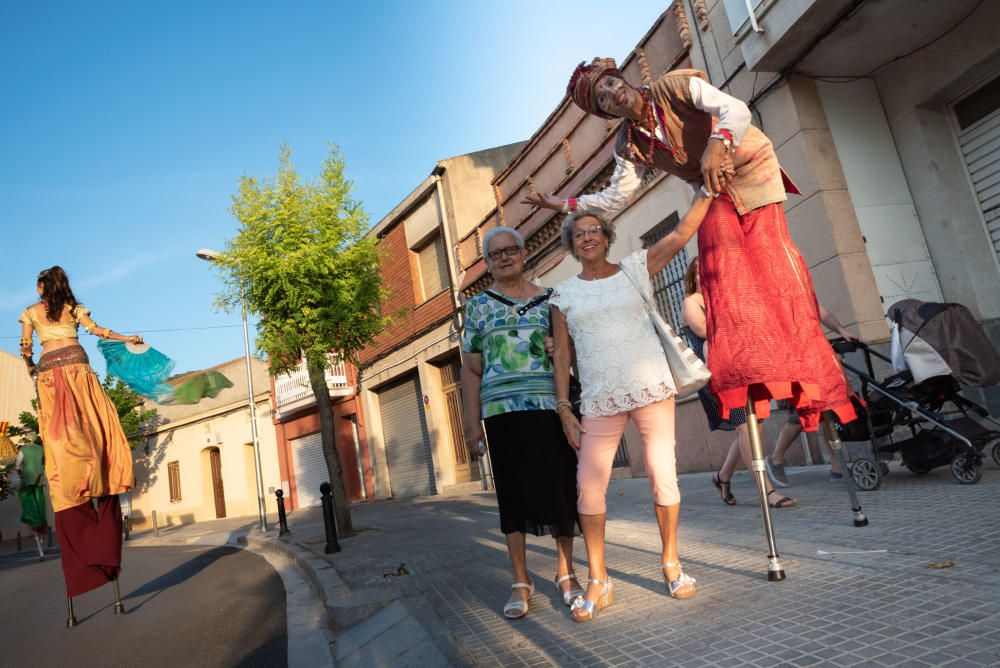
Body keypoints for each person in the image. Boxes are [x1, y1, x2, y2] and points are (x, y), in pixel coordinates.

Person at [524, 58, 855, 436]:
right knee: (718, 270)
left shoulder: (674, 87)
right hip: (710, 188)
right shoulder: (629, 143)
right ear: (605, 112)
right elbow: (617, 197)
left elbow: (735, 108)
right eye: (603, 99)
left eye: (612, 84)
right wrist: (563, 204)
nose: (613, 95)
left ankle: (809, 367)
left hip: (749, 166)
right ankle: (753, 366)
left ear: (622, 79)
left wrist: (718, 143)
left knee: (771, 263)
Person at [550, 192, 712, 623]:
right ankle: (599, 580)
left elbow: (680, 234)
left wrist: (706, 190)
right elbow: (562, 355)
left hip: (651, 387)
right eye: (579, 234)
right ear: (571, 244)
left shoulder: (634, 269)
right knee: (588, 485)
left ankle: (671, 562)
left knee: (664, 477)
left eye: (594, 231)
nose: (587, 238)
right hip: (600, 398)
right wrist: (564, 407)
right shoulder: (561, 295)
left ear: (607, 237)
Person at [461, 227, 581, 620]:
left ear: (523, 252)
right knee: (512, 496)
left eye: (511, 250)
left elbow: (573, 353)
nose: (505, 258)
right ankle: (520, 580)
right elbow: (472, 369)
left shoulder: (552, 300)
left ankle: (567, 573)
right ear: (488, 262)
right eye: (496, 254)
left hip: (551, 407)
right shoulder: (477, 307)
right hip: (502, 413)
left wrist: (560, 347)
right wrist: (471, 422)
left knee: (560, 487)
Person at [19, 266, 137, 607]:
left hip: (52, 378)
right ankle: (97, 476)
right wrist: (126, 337)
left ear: (43, 287)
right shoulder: (74, 309)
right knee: (95, 431)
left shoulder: (30, 312)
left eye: (38, 284)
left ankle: (78, 485)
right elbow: (97, 331)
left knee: (62, 440)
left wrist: (29, 366)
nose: (37, 289)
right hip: (79, 371)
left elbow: (26, 348)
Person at [681, 257, 796, 508]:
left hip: (741, 367)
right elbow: (703, 331)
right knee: (745, 428)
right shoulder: (692, 302)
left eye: (710, 272)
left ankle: (723, 477)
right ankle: (766, 490)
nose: (705, 277)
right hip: (719, 376)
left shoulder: (727, 299)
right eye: (700, 273)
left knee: (751, 428)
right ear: (693, 277)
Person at [766, 306, 859, 487]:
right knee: (801, 415)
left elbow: (824, 313)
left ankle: (837, 466)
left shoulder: (803, 289)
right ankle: (776, 458)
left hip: (817, 359)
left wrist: (841, 330)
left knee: (828, 413)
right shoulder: (774, 295)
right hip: (793, 363)